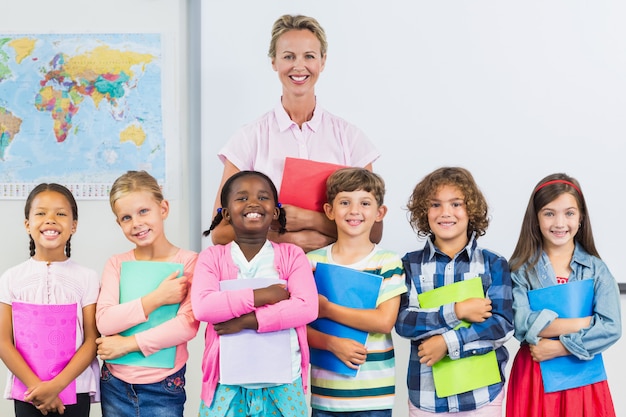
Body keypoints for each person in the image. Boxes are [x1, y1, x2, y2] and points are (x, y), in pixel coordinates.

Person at [211, 14, 381, 252]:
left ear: (322, 61)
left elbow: (374, 231)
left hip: (332, 278)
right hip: (269, 277)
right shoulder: (248, 139)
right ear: (274, 62)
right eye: (288, 56)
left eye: (309, 56)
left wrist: (309, 219)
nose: (299, 66)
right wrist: (285, 239)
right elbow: (220, 232)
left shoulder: (350, 139)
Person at [192, 170, 318, 417]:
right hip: (225, 385)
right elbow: (204, 307)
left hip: (283, 384)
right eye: (241, 198)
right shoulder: (212, 257)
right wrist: (264, 295)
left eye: (263, 197)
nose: (253, 203)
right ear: (226, 213)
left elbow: (306, 307)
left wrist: (246, 321)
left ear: (275, 211)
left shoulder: (292, 256)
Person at [395, 167, 514, 416]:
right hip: (426, 396)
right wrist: (458, 311)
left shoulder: (493, 264)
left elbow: (501, 324)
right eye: (435, 205)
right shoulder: (410, 264)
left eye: (456, 203)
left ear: (471, 210)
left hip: (483, 395)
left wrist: (447, 342)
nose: (445, 213)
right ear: (423, 212)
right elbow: (405, 322)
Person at [505, 173, 621, 417]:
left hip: (583, 377)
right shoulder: (519, 269)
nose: (560, 223)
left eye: (569, 213)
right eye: (549, 213)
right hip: (535, 375)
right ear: (535, 218)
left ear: (581, 218)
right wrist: (585, 323)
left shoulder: (596, 269)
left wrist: (561, 349)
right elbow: (521, 324)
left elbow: (611, 328)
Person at [95, 171, 199, 417]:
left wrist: (127, 345)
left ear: (163, 208)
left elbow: (187, 326)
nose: (136, 223)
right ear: (119, 223)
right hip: (115, 384)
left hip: (164, 385)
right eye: (126, 217)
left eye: (144, 211)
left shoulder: (190, 262)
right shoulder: (116, 263)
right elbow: (105, 321)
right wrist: (158, 298)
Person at [306, 168, 407, 416]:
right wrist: (331, 343)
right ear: (329, 210)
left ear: (379, 212)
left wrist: (327, 309)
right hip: (326, 396)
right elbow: (299, 326)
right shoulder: (311, 262)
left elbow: (384, 321)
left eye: (364, 203)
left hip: (374, 397)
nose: (354, 211)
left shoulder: (388, 262)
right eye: (344, 202)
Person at [0, 183, 100, 416]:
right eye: (41, 213)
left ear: (73, 225)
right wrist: (38, 388)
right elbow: (4, 342)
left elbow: (91, 340)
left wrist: (56, 386)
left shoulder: (88, 277)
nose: (51, 219)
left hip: (76, 390)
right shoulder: (11, 278)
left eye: (61, 214)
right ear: (27, 224)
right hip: (28, 392)